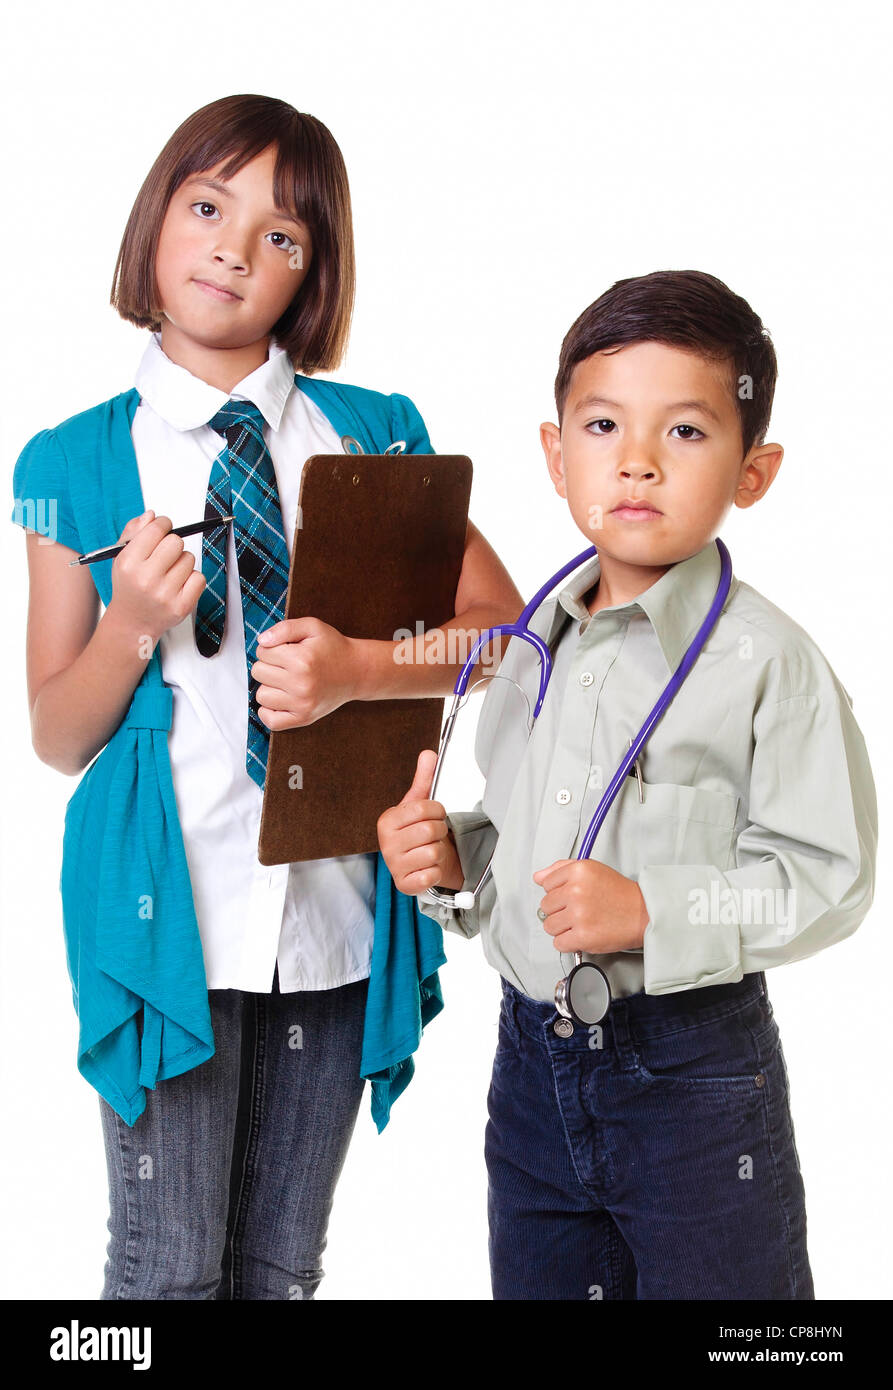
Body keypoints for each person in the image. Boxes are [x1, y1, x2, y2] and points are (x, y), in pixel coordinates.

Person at [10, 93, 522, 1300]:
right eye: (208, 206)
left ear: (313, 276)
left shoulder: (377, 435)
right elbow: (53, 732)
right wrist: (133, 625)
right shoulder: (65, 464)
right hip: (164, 921)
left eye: (283, 234)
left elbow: (498, 630)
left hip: (333, 915)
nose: (237, 247)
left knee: (279, 1269)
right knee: (168, 1269)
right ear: (155, 223)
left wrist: (356, 668)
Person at [378, 268, 878, 1300]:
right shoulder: (527, 647)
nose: (638, 462)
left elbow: (827, 875)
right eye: (602, 426)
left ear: (753, 469)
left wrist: (651, 911)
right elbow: (517, 839)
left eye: (686, 432)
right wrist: (449, 856)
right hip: (529, 1071)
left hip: (691, 1078)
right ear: (555, 456)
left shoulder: (762, 662)